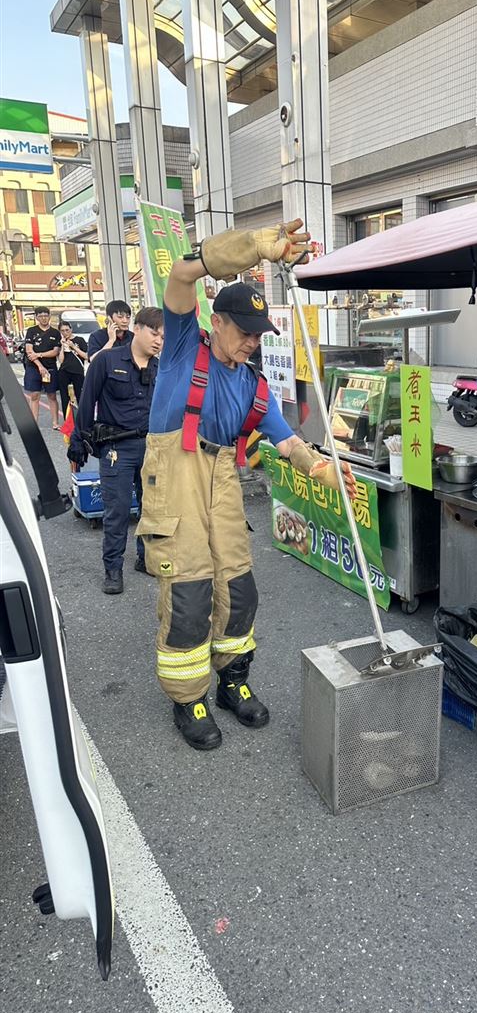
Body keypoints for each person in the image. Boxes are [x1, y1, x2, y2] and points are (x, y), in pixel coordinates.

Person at [138, 218, 355, 752]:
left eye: (260, 336)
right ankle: (189, 696)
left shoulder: (253, 385)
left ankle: (232, 679)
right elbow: (182, 279)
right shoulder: (184, 346)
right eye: (244, 332)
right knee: (188, 592)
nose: (252, 343)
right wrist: (248, 249)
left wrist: (324, 471)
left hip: (221, 480)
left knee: (238, 587)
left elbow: (286, 442)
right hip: (177, 472)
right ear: (219, 323)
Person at [68, 307, 164, 595]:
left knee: (153, 507)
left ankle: (145, 557)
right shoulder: (107, 361)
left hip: (152, 447)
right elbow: (87, 402)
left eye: (163, 336)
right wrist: (78, 441)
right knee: (117, 511)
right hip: (116, 449)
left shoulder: (160, 368)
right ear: (137, 327)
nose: (159, 340)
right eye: (154, 333)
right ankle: (113, 569)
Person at [23, 306, 61, 427]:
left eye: (46, 315)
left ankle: (55, 422)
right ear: (36, 317)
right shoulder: (31, 331)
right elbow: (29, 351)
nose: (44, 318)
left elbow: (55, 351)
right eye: (40, 316)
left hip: (50, 367)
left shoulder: (55, 333)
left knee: (52, 394)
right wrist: (39, 365)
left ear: (49, 316)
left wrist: (39, 354)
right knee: (34, 395)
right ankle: (34, 423)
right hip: (33, 367)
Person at [56, 320, 89, 416]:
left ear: (71, 329)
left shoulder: (80, 340)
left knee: (81, 395)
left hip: (77, 371)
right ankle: (68, 419)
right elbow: (61, 360)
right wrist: (62, 345)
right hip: (64, 371)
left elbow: (86, 356)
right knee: (64, 396)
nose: (65, 332)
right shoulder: (61, 342)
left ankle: (83, 417)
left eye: (67, 330)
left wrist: (73, 347)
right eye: (62, 331)